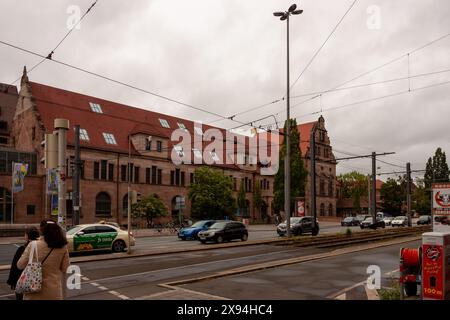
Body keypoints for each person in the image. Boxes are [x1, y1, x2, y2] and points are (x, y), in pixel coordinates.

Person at [17, 219, 70, 300]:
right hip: (53, 292)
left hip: (33, 292)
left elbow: (20, 265)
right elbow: (65, 268)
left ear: (41, 230)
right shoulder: (62, 247)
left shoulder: (33, 245)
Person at [6, 226, 40, 300]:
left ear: (27, 236)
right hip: (38, 281)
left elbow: (16, 266)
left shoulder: (23, 249)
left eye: (25, 234)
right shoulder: (42, 248)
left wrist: (13, 282)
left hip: (24, 282)